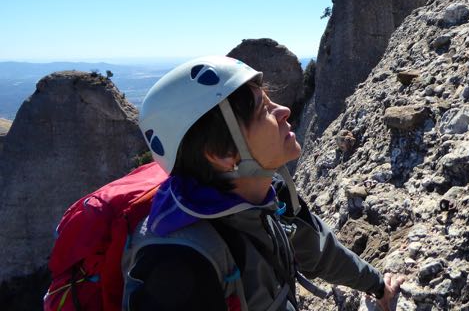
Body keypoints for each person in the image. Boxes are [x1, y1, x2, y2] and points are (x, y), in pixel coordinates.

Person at [123, 55, 403, 311]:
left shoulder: (270, 196)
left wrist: (378, 286)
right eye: (263, 109)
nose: (284, 111)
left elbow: (318, 252)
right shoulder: (176, 264)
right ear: (221, 154)